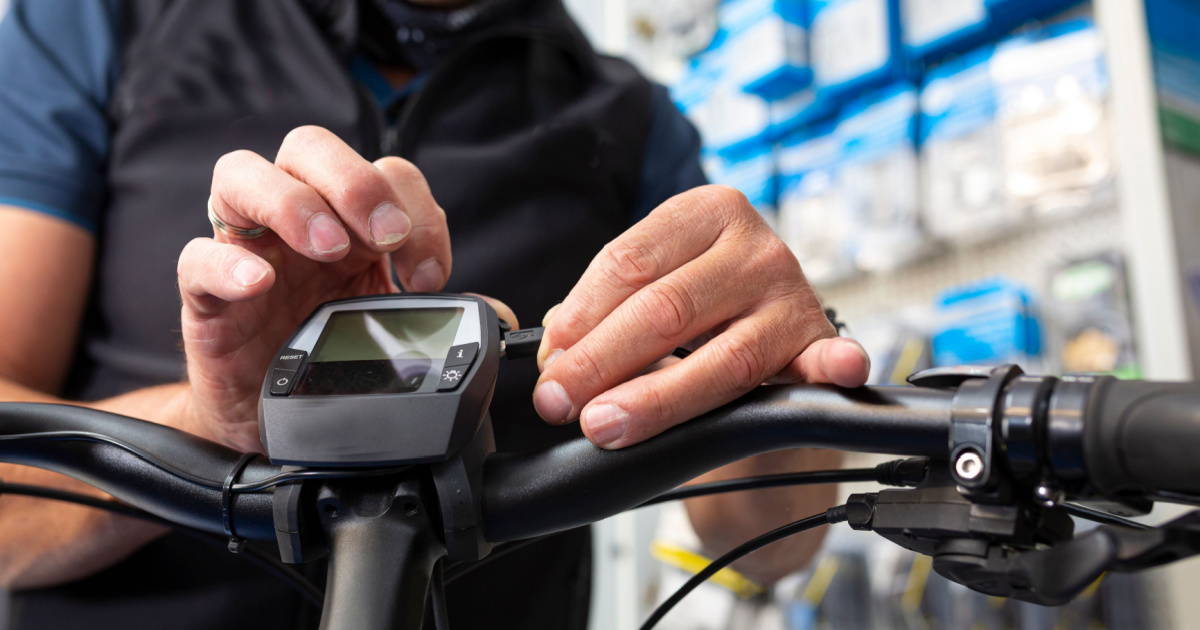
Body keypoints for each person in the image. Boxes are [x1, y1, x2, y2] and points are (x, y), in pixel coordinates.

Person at [0, 0, 869, 628]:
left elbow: (766, 546)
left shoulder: (636, 120)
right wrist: (215, 423)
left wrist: (777, 389)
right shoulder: (96, 21)